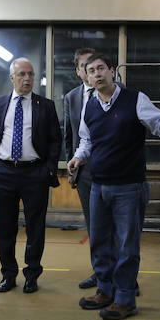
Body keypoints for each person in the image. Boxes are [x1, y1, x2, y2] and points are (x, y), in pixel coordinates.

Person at [68, 54, 160, 320]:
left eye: (101, 68)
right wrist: (78, 158)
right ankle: (105, 291)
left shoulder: (135, 99)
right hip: (98, 187)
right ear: (86, 77)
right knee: (99, 243)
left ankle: (124, 300)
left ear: (112, 72)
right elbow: (87, 142)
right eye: (91, 71)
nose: (97, 74)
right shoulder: (89, 107)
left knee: (126, 247)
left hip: (128, 187)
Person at [0, 57, 62, 294]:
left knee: (35, 228)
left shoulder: (45, 105)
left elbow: (55, 140)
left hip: (34, 173)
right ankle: (8, 274)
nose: (27, 79)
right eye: (22, 75)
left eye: (30, 74)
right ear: (12, 78)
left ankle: (32, 274)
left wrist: (48, 167)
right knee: (5, 228)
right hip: (3, 173)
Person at [62, 48, 99, 290]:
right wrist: (72, 169)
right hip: (85, 172)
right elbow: (69, 136)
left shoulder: (118, 93)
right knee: (94, 225)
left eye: (94, 64)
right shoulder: (71, 97)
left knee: (119, 228)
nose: (90, 69)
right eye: (85, 65)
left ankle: (125, 276)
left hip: (114, 171)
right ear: (78, 71)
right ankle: (100, 273)